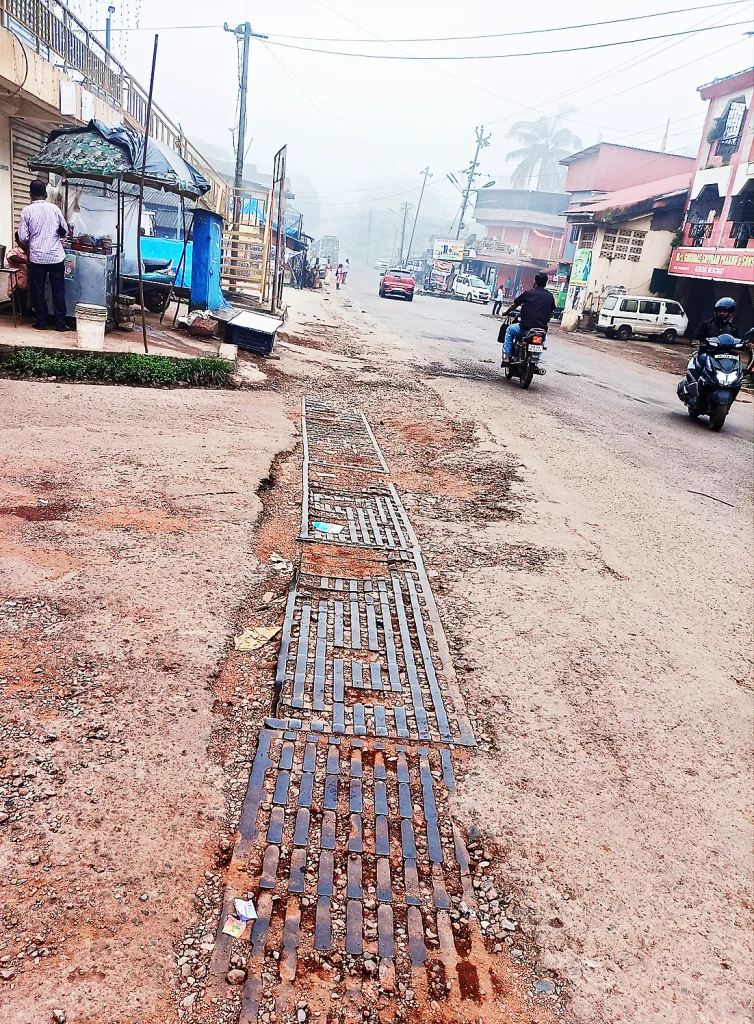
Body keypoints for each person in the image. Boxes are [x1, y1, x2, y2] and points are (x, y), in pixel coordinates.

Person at [18, 179, 70, 332]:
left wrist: (33, 241)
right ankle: (61, 324)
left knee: (38, 290)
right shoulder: (54, 209)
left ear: (30, 194)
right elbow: (65, 230)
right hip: (55, 256)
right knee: (58, 290)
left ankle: (41, 322)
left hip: (37, 257)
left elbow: (22, 237)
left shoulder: (27, 211)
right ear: (46, 194)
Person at [500, 272, 555, 364]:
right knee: (542, 341)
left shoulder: (528, 293)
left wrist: (506, 312)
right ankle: (536, 360)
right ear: (546, 283)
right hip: (541, 330)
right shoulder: (550, 296)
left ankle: (507, 356)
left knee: (509, 330)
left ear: (535, 282)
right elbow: (551, 312)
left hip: (524, 328)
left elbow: (515, 305)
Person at [5, 232, 30, 314]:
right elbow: (11, 257)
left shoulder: (32, 252)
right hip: (17, 288)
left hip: (30, 287)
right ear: (18, 241)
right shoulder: (15, 251)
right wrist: (27, 261)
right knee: (24, 310)